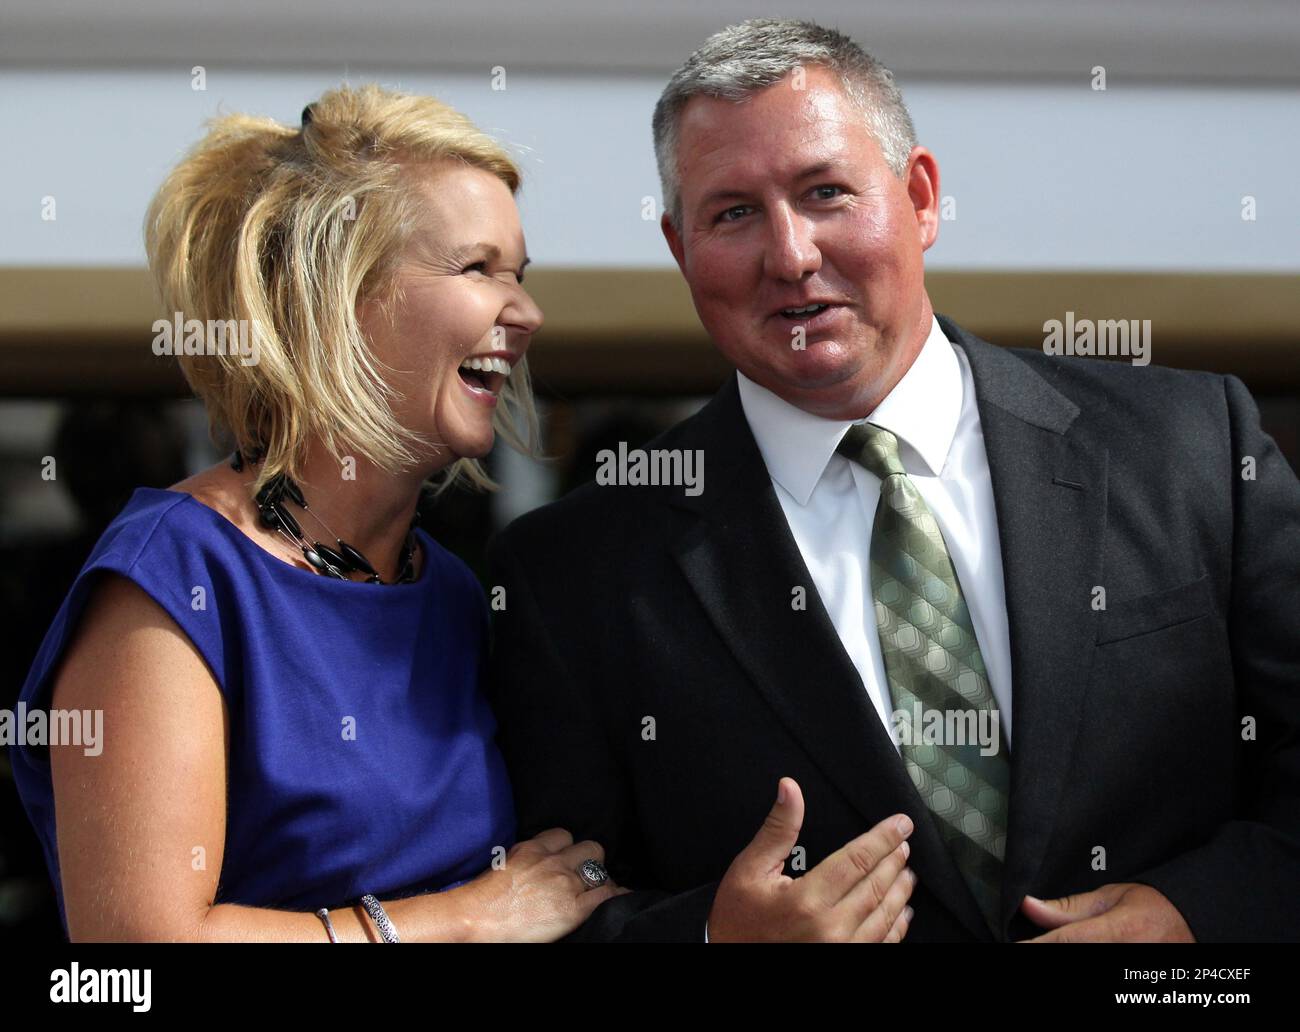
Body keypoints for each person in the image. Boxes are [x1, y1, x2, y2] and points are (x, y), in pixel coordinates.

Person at [485, 19, 1300, 942]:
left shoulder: (1190, 448)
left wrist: (1195, 919)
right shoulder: (572, 574)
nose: (789, 255)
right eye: (733, 213)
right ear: (679, 248)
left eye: (826, 191)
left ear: (919, 198)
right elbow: (559, 905)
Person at [11, 83, 624, 942]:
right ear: (340, 299)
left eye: (520, 276)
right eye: (478, 268)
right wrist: (464, 918)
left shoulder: (445, 590)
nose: (525, 313)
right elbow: (139, 955)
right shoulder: (176, 576)